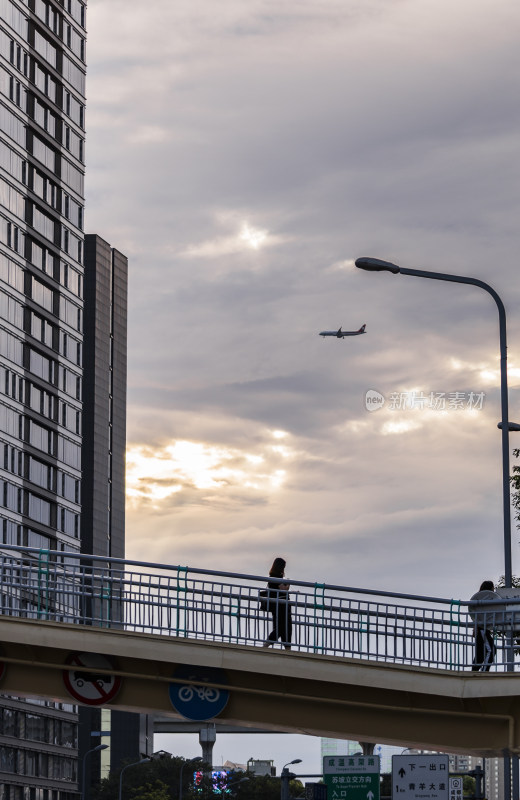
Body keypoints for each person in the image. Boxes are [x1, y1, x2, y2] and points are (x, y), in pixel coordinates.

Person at [469, 580, 500, 671]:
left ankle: (474, 672)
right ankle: (484, 671)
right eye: (492, 588)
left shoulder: (480, 600)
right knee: (491, 650)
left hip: (482, 629)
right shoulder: (486, 600)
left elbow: (476, 615)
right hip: (482, 629)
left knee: (480, 653)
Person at [263, 557, 292, 650]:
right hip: (280, 605)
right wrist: (288, 583)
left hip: (278, 605)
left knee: (284, 626)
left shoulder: (272, 576)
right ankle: (268, 644)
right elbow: (283, 589)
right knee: (283, 627)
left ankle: (286, 647)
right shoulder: (275, 577)